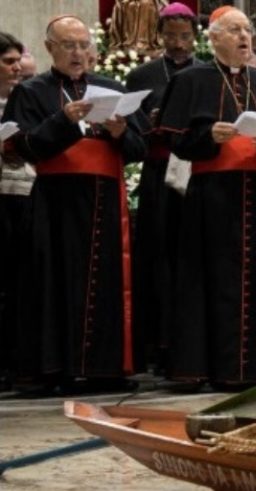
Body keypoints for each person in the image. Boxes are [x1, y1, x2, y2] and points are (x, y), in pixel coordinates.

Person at [2, 16, 146, 387]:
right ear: (50, 48)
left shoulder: (111, 88)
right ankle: (56, 369)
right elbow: (26, 146)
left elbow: (138, 149)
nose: (78, 53)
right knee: (54, 283)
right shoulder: (30, 92)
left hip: (105, 203)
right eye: (69, 45)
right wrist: (63, 120)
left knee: (107, 283)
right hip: (55, 202)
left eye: (84, 45)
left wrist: (121, 131)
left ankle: (104, 368)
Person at [158, 6, 256, 387]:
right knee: (211, 282)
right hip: (212, 201)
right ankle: (212, 367)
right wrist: (208, 138)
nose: (244, 37)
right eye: (234, 30)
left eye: (247, 30)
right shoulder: (190, 81)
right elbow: (175, 141)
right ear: (214, 37)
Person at [125, 1, 198, 373]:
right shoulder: (142, 76)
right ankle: (158, 343)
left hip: (195, 173)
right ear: (160, 36)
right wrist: (151, 124)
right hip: (157, 175)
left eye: (184, 36)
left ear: (195, 36)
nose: (178, 44)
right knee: (158, 255)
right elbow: (131, 126)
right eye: (171, 36)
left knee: (191, 254)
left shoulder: (205, 73)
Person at [0, 31, 26, 388]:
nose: (17, 67)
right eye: (8, 61)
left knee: (17, 282)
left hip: (20, 194)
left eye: (18, 60)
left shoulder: (26, 100)